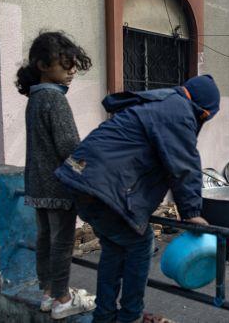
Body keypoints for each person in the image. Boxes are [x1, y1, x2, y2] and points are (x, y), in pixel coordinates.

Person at [55, 75, 220, 323]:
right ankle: (130, 316)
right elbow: (184, 165)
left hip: (80, 179)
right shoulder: (178, 110)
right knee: (141, 244)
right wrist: (192, 212)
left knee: (114, 247)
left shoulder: (159, 103)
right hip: (100, 185)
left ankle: (105, 315)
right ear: (204, 113)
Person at [17, 31, 96, 319]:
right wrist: (88, 177)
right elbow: (69, 148)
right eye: (65, 64)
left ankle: (48, 293)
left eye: (73, 65)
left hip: (37, 184)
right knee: (62, 243)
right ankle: (63, 298)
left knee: (45, 239)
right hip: (58, 187)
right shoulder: (55, 100)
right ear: (42, 65)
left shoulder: (35, 99)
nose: (72, 71)